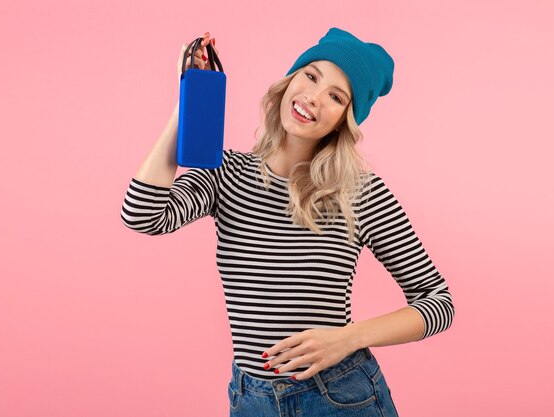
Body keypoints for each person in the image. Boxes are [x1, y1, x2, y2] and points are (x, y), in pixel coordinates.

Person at [121, 28, 455, 417]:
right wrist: (190, 98)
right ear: (290, 80)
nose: (313, 97)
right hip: (252, 399)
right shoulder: (226, 174)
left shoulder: (360, 192)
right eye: (311, 76)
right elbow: (142, 214)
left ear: (344, 120)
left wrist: (348, 338)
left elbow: (438, 303)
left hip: (341, 396)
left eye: (335, 96)